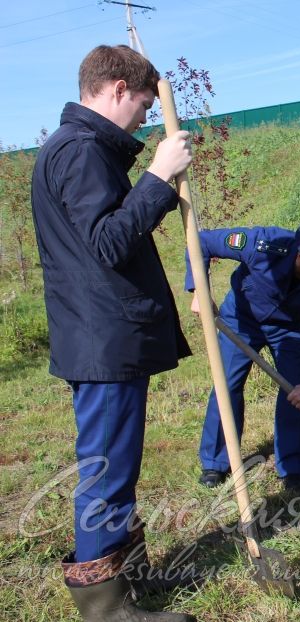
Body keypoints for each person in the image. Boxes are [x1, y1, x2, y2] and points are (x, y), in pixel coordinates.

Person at [31, 45, 196, 620]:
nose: (146, 117)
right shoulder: (78, 153)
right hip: (102, 339)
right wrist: (156, 178)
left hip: (103, 335)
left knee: (117, 466)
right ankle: (105, 610)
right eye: (145, 105)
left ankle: (127, 580)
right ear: (119, 89)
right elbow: (107, 243)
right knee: (104, 470)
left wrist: (149, 187)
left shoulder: (81, 151)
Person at [185, 220, 300, 490]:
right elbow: (202, 242)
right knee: (226, 385)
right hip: (241, 319)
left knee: (295, 393)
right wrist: (198, 290)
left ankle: (293, 467)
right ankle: (215, 462)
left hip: (289, 329)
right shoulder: (264, 245)